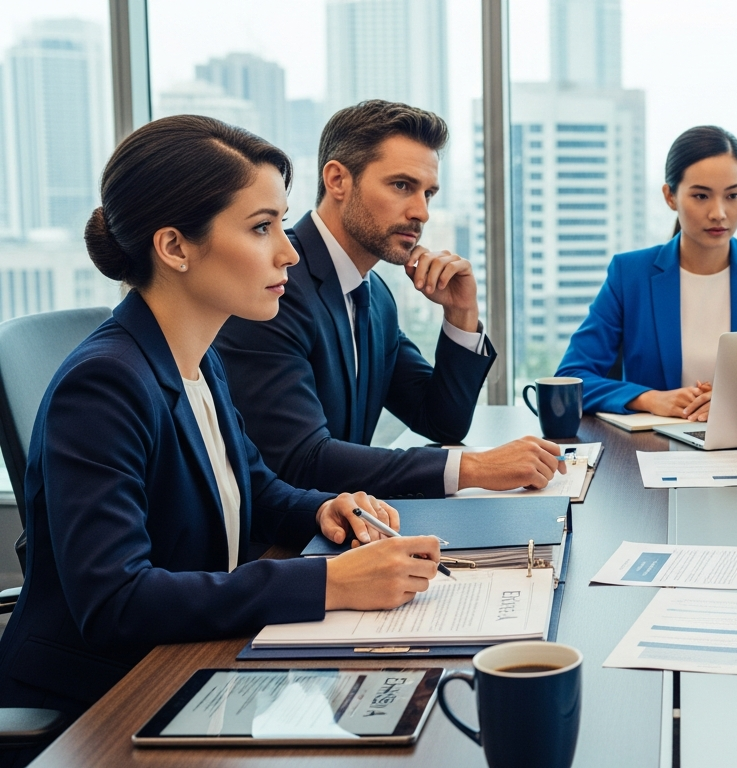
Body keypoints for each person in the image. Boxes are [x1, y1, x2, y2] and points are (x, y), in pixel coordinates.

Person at [0, 116, 443, 738]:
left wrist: (326, 512)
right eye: (262, 228)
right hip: (102, 707)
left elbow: (255, 489)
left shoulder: (197, 358)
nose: (289, 250)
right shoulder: (102, 385)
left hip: (196, 669)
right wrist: (327, 582)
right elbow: (118, 601)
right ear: (175, 247)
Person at [215, 100, 562, 499]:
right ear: (337, 180)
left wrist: (461, 312)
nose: (422, 212)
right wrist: (476, 467)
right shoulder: (277, 286)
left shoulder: (374, 294)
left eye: (428, 193)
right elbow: (301, 460)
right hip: (281, 544)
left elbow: (441, 421)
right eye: (402, 186)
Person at [555, 126, 737, 419]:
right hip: (653, 447)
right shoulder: (630, 276)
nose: (719, 212)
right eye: (701, 196)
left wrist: (736, 399)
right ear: (670, 197)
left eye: (732, 195)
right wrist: (650, 399)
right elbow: (572, 377)